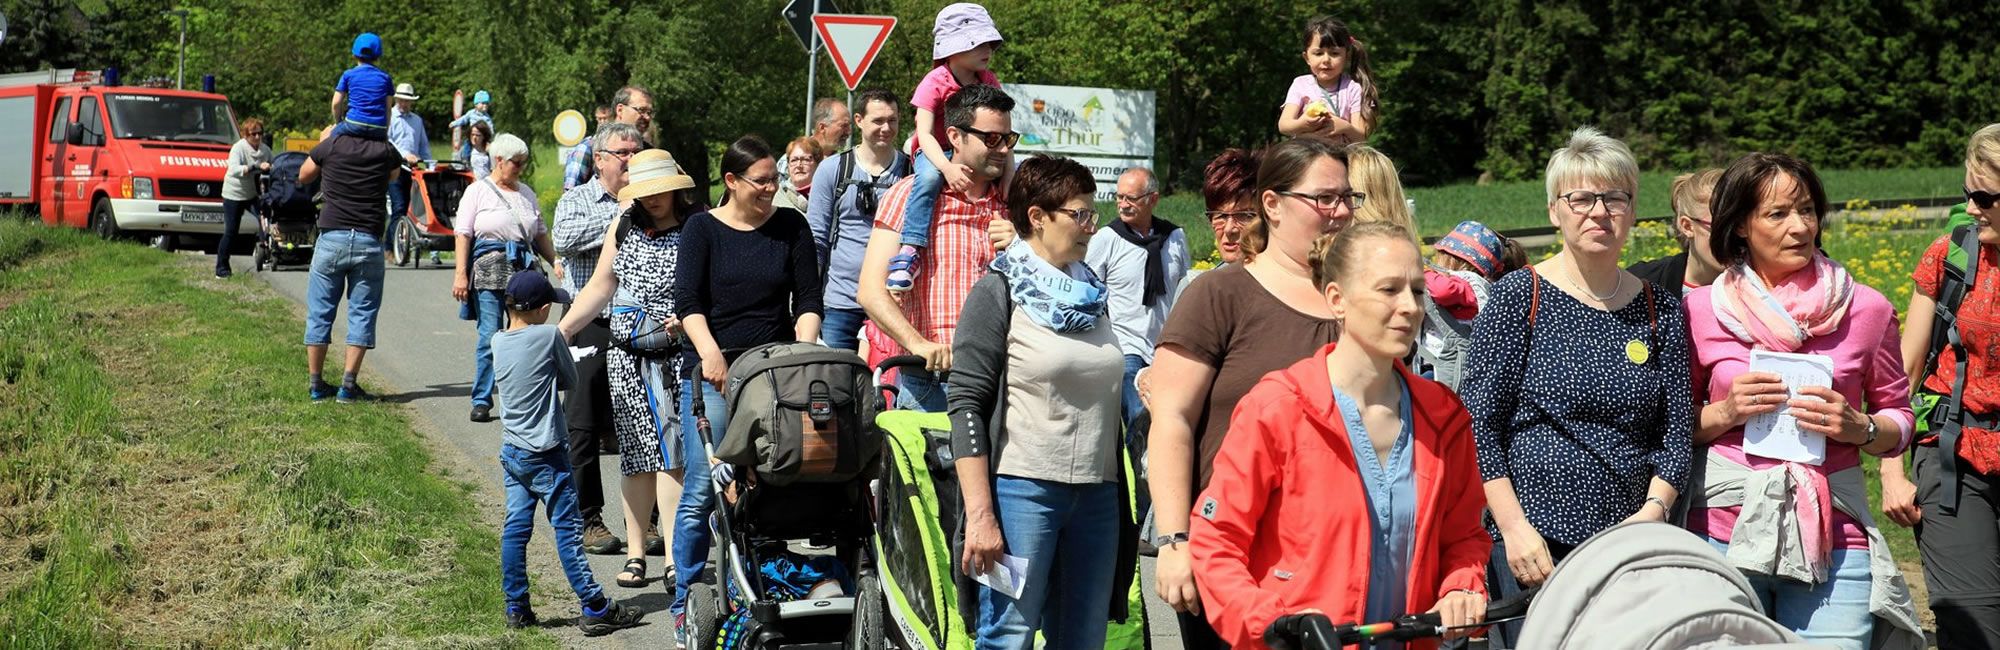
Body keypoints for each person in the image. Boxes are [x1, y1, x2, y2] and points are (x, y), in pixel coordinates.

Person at [1191, 223, 1490, 650]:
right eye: (1389, 290)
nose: (1410, 307)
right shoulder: (1279, 408)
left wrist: (1461, 586)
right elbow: (1216, 539)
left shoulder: (1443, 416)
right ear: (1337, 299)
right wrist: (1273, 626)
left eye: (1417, 290)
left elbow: (1463, 537)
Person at [1460, 127, 1692, 649]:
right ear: (1554, 210)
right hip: (1536, 544)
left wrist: (1652, 515)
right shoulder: (1520, 295)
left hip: (1628, 545)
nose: (1599, 212)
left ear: (1632, 210)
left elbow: (1676, 434)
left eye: (1614, 198)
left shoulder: (1659, 308)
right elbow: (1478, 425)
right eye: (1581, 198)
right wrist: (1513, 529)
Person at [1684, 153, 1922, 649]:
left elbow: (1900, 419)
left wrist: (1860, 428)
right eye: (1778, 214)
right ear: (1741, 225)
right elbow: (1670, 428)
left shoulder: (1868, 309)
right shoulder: (1701, 310)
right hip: (1721, 532)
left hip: (1836, 537)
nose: (1800, 226)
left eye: (1807, 210)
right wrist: (1726, 412)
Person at [1146, 136, 1350, 649]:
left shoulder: (1359, 300)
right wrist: (1175, 541)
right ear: (1273, 205)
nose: (1342, 211)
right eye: (1325, 198)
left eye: (1348, 197)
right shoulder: (1219, 295)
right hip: (1233, 557)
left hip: (1337, 553)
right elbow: (1171, 419)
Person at [950, 155, 1126, 649]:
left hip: (1098, 497)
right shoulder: (997, 290)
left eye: (1093, 213)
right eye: (1079, 214)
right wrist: (981, 515)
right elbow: (965, 402)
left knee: (1083, 640)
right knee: (1009, 635)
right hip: (1020, 497)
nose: (1092, 226)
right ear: (1037, 217)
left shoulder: (1092, 295)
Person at [668, 136, 824, 644]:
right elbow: (688, 301)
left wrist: (802, 355)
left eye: (775, 180)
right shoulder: (701, 229)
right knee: (705, 487)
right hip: (715, 372)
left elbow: (808, 300)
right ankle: (687, 595)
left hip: (774, 376)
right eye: (761, 181)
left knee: (770, 483)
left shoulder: (791, 226)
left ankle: (759, 581)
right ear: (732, 181)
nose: (771, 189)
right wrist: (710, 353)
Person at [560, 148, 702, 595]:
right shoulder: (623, 224)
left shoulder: (696, 227)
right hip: (625, 358)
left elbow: (707, 290)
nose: (652, 198)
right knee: (636, 456)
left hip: (675, 359)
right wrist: (563, 330)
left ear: (675, 189)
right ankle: (636, 553)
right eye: (644, 191)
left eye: (660, 190)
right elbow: (601, 285)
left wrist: (688, 319)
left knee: (673, 457)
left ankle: (675, 556)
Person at [1883, 123, 2000, 648]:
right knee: (1975, 631)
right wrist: (1891, 470)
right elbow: (1901, 374)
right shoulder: (1951, 255)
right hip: (1954, 456)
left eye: (1985, 197)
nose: (1971, 208)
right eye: (1967, 192)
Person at [489, 270, 647, 636]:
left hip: (513, 451)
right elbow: (570, 380)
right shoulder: (549, 336)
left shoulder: (497, 340)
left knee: (516, 528)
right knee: (569, 531)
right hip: (547, 453)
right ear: (543, 309)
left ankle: (516, 606)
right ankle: (595, 606)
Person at [857, 83, 1018, 412]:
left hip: (1004, 383)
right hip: (930, 384)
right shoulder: (910, 196)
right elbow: (870, 292)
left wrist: (1022, 247)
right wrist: (917, 344)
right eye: (991, 139)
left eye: (1008, 139)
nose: (1002, 149)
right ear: (955, 137)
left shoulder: (1016, 204)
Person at [551, 121, 648, 556]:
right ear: (601, 159)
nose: (631, 159)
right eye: (623, 152)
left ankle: (646, 520)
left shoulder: (654, 200)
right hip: (587, 320)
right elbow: (564, 240)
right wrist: (623, 215)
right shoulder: (578, 199)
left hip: (638, 323)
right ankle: (588, 518)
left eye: (636, 151)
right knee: (582, 424)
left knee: (642, 422)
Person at [884, 2, 1006, 294]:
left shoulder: (988, 80)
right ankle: (910, 249)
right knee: (928, 179)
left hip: (977, 149)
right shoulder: (935, 81)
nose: (988, 50)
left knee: (1010, 183)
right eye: (978, 44)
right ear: (953, 48)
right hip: (936, 150)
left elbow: (1001, 127)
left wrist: (1010, 173)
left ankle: (1008, 248)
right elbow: (923, 133)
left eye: (990, 43)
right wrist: (946, 167)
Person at [453, 134, 558, 424]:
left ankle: (522, 397)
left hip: (522, 271)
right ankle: (482, 400)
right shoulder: (477, 191)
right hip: (488, 270)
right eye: (516, 162)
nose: (521, 168)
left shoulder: (527, 193)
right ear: (498, 160)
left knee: (525, 335)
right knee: (490, 336)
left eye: (523, 162)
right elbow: (463, 234)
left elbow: (540, 234)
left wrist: (555, 261)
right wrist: (460, 273)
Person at [298, 127, 403, 402]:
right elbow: (394, 175)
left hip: (332, 237)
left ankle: (316, 385)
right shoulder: (384, 149)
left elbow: (303, 175)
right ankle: (348, 386)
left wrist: (324, 146)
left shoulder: (332, 143)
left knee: (320, 312)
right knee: (362, 313)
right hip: (368, 239)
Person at [809, 89, 911, 351]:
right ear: (859, 120)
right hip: (840, 303)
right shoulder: (833, 170)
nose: (886, 128)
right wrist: (807, 301)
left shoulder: (911, 172)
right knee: (835, 374)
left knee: (887, 377)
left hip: (893, 305)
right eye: (878, 121)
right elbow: (817, 238)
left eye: (892, 120)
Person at [1417, 220, 1514, 389]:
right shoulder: (1469, 284)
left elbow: (1442, 291)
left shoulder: (1469, 283)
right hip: (1439, 362)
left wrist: (1421, 272)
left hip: (1448, 367)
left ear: (1451, 259)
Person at [1275, 17, 1377, 145]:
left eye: (1334, 53)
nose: (1326, 60)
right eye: (1318, 53)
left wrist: (1345, 127)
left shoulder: (1353, 88)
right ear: (1307, 58)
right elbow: (1284, 126)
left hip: (1341, 153)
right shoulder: (1300, 84)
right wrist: (1303, 123)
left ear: (1346, 56)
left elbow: (1361, 137)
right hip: (1306, 152)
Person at [1629, 168, 1726, 293]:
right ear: (1687, 226)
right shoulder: (1641, 283)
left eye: (1741, 225)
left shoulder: (1750, 284)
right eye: (1722, 227)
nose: (1734, 238)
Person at [567, 86, 656, 190]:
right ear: (620, 110)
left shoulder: (648, 151)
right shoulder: (588, 148)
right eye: (641, 110)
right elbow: (570, 194)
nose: (647, 117)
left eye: (649, 112)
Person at [217, 116, 271, 278]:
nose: (257, 137)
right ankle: (222, 268)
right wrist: (254, 167)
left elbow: (272, 163)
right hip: (234, 194)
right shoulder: (238, 148)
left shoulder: (265, 150)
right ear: (245, 135)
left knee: (265, 219)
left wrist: (271, 168)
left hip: (252, 194)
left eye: (260, 133)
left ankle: (264, 250)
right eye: (253, 134)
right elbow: (233, 169)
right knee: (231, 231)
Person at [386, 83, 430, 241]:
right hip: (395, 168)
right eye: (401, 100)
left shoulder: (417, 121)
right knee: (398, 207)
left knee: (410, 210)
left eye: (407, 101)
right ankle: (392, 245)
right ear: (396, 99)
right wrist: (405, 155)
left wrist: (430, 165)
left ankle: (400, 244)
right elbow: (388, 142)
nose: (404, 104)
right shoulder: (389, 117)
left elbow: (423, 145)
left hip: (413, 171)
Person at [329, 33, 392, 141]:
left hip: (354, 124)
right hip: (378, 127)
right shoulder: (386, 78)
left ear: (354, 54)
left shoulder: (348, 75)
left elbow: (336, 103)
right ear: (378, 56)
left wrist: (339, 122)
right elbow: (388, 109)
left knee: (330, 136)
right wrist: (384, 133)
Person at [775, 136, 823, 215]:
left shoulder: (827, 194)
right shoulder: (776, 196)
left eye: (806, 160)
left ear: (817, 163)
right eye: (794, 160)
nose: (799, 165)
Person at [451, 90, 495, 163]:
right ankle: (465, 158)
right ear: (476, 104)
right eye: (483, 103)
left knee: (487, 147)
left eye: (487, 103)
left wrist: (491, 134)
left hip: (482, 137)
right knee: (467, 144)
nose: (485, 105)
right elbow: (463, 119)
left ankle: (488, 160)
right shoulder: (471, 113)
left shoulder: (487, 117)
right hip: (472, 135)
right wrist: (454, 124)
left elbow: (490, 126)